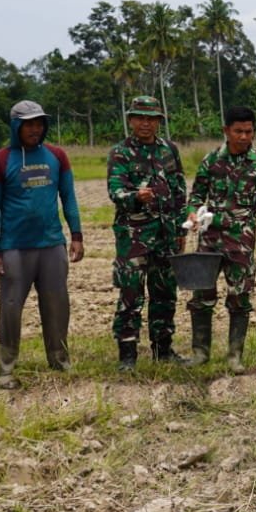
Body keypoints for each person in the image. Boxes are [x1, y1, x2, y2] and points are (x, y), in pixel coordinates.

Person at [0, 100, 84, 388]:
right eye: (28, 124)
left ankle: (59, 360)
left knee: (57, 305)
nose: (34, 129)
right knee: (11, 307)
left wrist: (76, 235)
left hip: (52, 244)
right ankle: (7, 367)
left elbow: (69, 197)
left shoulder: (57, 156)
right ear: (16, 126)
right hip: (14, 247)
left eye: (39, 123)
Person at [184, 106, 256, 372]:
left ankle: (234, 356)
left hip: (241, 243)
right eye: (238, 131)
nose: (243, 137)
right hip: (209, 241)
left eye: (248, 131)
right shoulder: (210, 160)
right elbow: (196, 196)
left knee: (240, 297)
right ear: (226, 131)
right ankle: (200, 353)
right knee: (201, 296)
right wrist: (192, 211)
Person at [106, 96, 187, 370]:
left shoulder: (169, 150)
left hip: (166, 235)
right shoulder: (121, 152)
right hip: (134, 237)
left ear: (159, 122)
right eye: (140, 117)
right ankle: (127, 355)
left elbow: (179, 189)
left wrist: (181, 228)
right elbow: (115, 191)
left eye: (151, 119)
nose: (145, 123)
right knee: (131, 294)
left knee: (165, 293)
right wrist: (135, 196)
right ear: (130, 120)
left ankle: (163, 350)